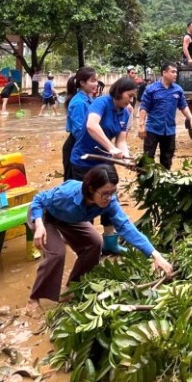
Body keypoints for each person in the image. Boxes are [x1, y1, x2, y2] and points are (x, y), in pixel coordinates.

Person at [25, 165, 173, 312]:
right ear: (91, 189)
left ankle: (72, 287)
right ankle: (33, 299)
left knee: (95, 243)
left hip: (70, 219)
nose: (109, 198)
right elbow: (38, 199)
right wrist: (39, 225)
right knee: (57, 253)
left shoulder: (109, 201)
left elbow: (125, 226)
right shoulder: (68, 194)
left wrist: (155, 254)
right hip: (43, 217)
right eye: (105, 193)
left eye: (112, 192)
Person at [70, 76, 138, 254]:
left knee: (109, 197)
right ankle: (87, 245)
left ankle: (109, 242)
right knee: (87, 201)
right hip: (84, 161)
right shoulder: (101, 103)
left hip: (104, 162)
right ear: (119, 91)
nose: (131, 100)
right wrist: (110, 147)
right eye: (129, 95)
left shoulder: (125, 112)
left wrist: (127, 158)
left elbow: (122, 141)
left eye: (133, 97)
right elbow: (91, 125)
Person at [137, 63, 192, 169]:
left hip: (169, 130)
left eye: (176, 72)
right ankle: (146, 183)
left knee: (167, 160)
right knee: (147, 159)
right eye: (173, 72)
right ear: (164, 73)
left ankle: (164, 181)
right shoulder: (151, 89)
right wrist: (141, 125)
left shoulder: (178, 89)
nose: (175, 74)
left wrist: (191, 118)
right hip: (152, 129)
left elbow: (183, 106)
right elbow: (144, 107)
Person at [63, 67, 98, 182]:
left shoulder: (90, 99)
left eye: (96, 80)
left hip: (84, 145)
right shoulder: (78, 103)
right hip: (76, 146)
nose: (96, 84)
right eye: (93, 81)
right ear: (82, 83)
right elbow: (79, 131)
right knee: (75, 186)